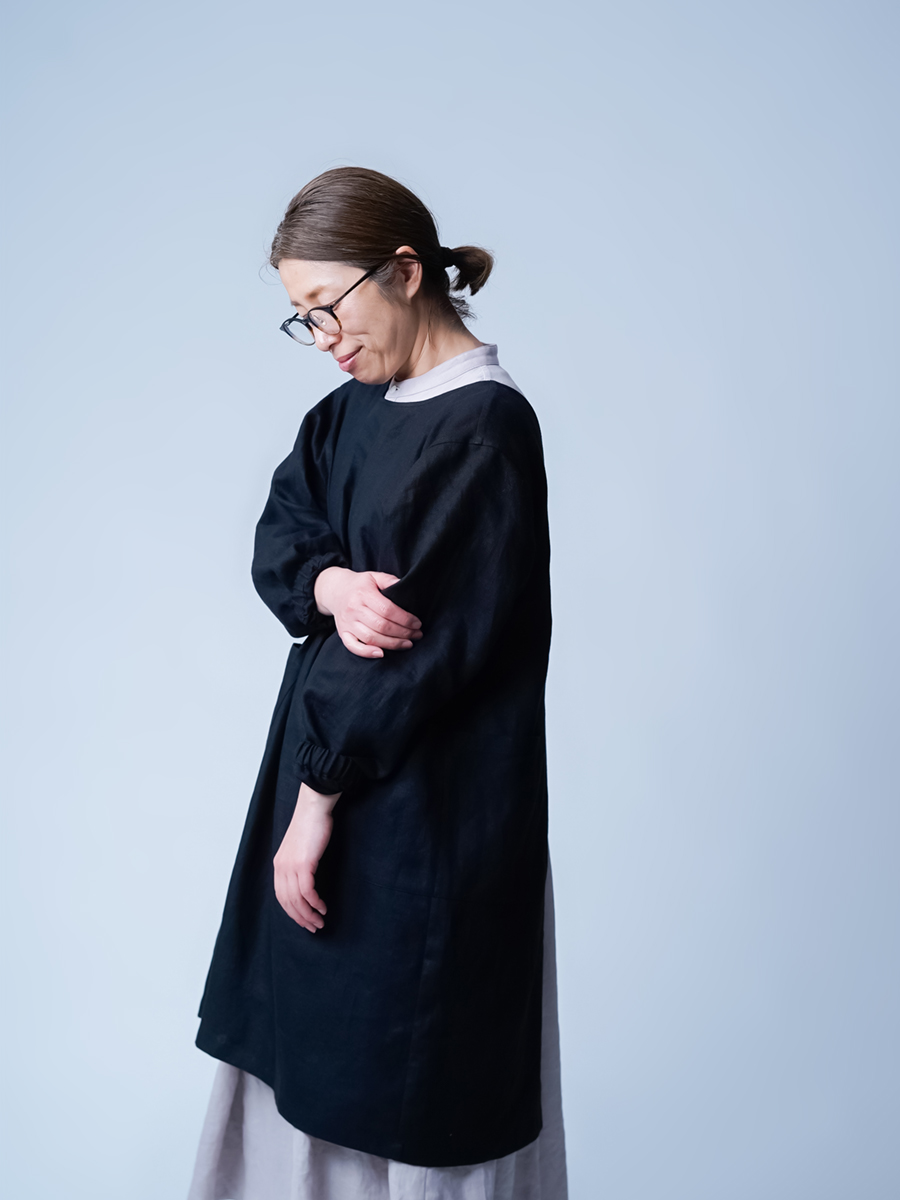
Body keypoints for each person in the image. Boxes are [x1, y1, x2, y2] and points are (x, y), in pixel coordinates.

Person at [188, 167, 567, 1200]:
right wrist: (329, 580)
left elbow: (414, 657)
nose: (323, 339)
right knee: (309, 1064)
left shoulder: (482, 430)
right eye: (301, 319)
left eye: (327, 307)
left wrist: (313, 806)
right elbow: (281, 532)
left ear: (404, 272)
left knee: (417, 1080)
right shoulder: (348, 413)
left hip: (429, 821)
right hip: (332, 781)